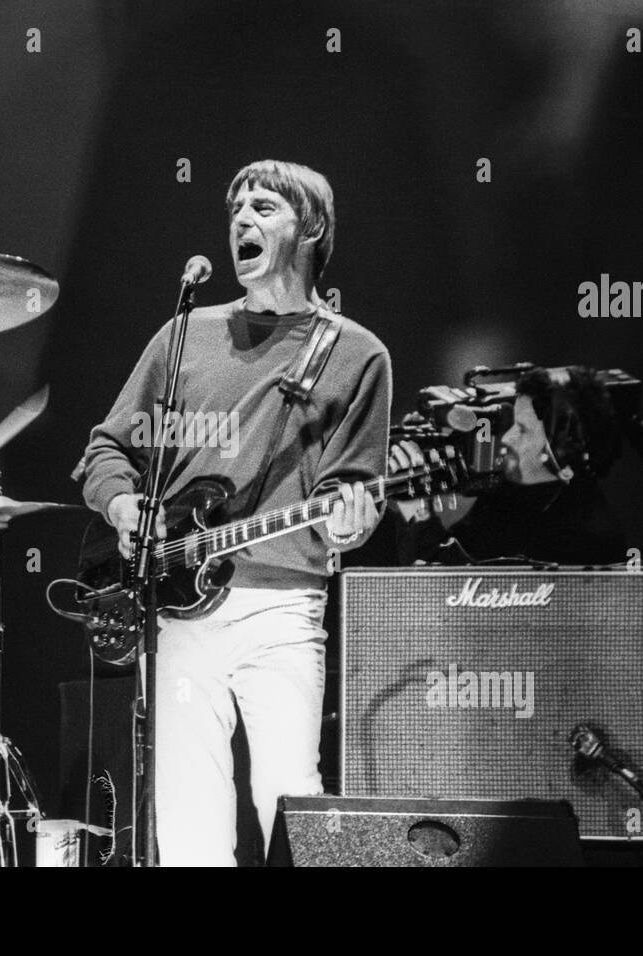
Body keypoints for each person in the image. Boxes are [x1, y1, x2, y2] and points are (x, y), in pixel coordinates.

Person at [79, 160, 393, 865]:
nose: (242, 221)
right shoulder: (184, 334)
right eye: (236, 210)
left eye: (265, 208)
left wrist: (351, 521)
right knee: (188, 807)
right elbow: (106, 446)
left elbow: (353, 492)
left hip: (282, 607)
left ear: (311, 228)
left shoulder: (356, 353)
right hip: (176, 608)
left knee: (290, 798)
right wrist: (124, 503)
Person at [391, 365, 627, 565]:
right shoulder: (515, 494)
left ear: (564, 456)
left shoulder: (586, 538)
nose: (507, 438)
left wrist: (420, 514)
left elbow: (466, 600)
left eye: (523, 430)